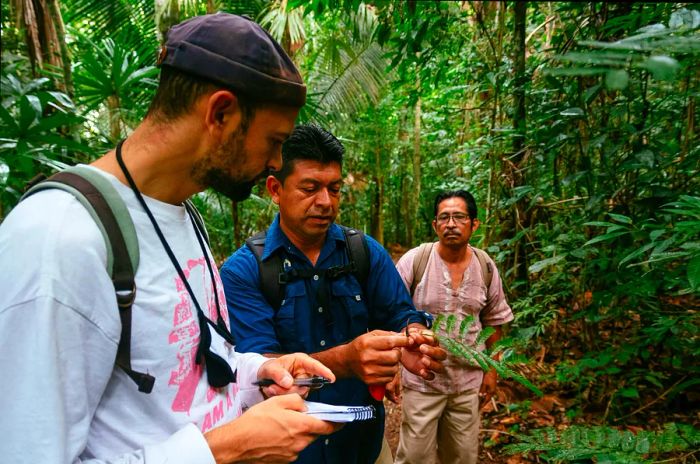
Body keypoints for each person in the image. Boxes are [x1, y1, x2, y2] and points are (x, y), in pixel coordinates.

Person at [0, 13, 341, 463]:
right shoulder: (60, 240)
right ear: (220, 113)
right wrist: (223, 451)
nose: (277, 161)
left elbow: (177, 374)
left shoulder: (180, 211)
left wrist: (257, 372)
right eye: (274, 140)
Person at [220, 123, 447, 464]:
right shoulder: (244, 271)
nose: (325, 202)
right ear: (275, 188)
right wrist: (347, 361)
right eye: (310, 188)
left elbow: (401, 314)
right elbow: (261, 374)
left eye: (335, 189)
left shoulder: (363, 252)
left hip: (363, 445)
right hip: (288, 453)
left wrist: (412, 338)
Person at [394, 190, 514, 464]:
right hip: (423, 381)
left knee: (461, 456)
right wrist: (392, 367)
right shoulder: (416, 260)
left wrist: (492, 370)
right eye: (444, 218)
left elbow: (494, 320)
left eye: (459, 217)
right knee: (414, 457)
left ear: (474, 224)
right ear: (435, 225)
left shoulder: (485, 266)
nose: (451, 224)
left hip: (467, 383)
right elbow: (392, 315)